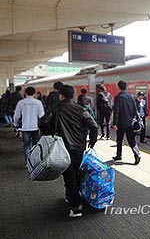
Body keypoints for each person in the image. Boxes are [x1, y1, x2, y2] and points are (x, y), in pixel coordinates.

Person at [40, 85, 98, 218]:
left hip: (62, 148)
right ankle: (72, 196)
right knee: (75, 174)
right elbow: (94, 126)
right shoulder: (80, 109)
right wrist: (92, 141)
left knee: (69, 176)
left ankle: (76, 207)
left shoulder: (55, 108)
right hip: (79, 148)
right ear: (72, 96)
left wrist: (50, 133)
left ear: (61, 95)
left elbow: (43, 122)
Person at [112, 80, 141, 165]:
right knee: (132, 140)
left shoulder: (118, 97)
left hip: (121, 123)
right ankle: (137, 154)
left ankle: (119, 155)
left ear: (118, 87)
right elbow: (135, 110)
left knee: (119, 140)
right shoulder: (131, 97)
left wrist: (115, 123)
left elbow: (116, 111)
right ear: (126, 87)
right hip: (130, 123)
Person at [13, 87, 45, 163]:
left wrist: (15, 124)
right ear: (34, 93)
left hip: (25, 128)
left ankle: (28, 163)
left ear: (25, 93)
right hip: (35, 127)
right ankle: (35, 162)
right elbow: (42, 115)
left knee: (26, 145)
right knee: (35, 145)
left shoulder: (21, 102)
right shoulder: (38, 103)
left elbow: (16, 115)